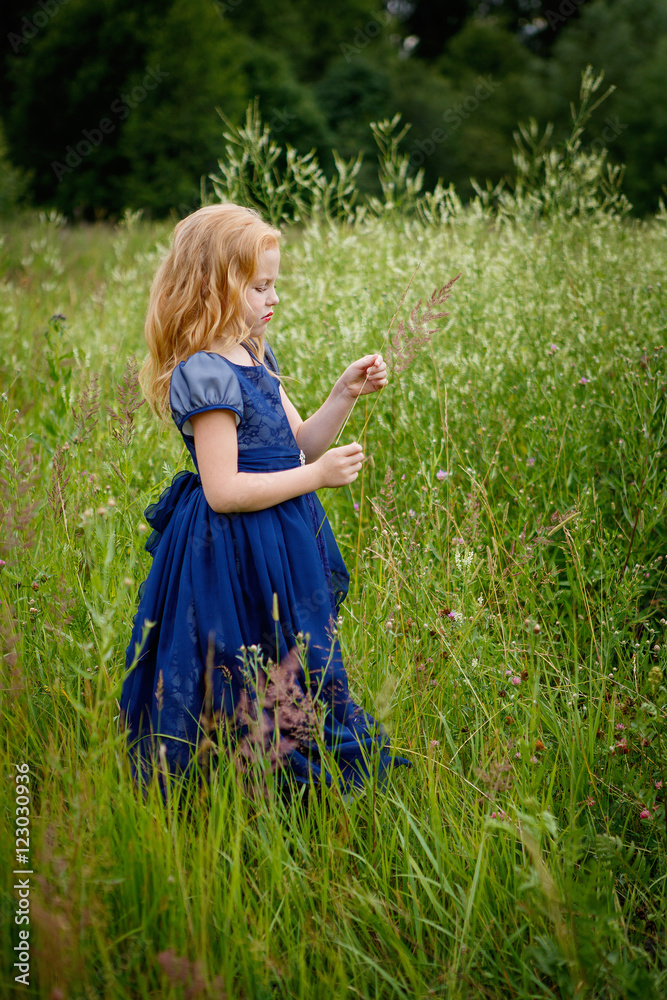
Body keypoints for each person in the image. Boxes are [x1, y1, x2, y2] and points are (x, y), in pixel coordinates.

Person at [120, 203, 410, 800]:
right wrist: (320, 478)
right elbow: (223, 491)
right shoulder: (205, 374)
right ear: (216, 286)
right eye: (259, 286)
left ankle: (291, 764)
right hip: (227, 547)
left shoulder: (255, 356)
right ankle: (236, 779)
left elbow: (299, 445)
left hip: (279, 532)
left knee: (292, 653)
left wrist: (342, 394)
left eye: (274, 283)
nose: (272, 296)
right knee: (234, 659)